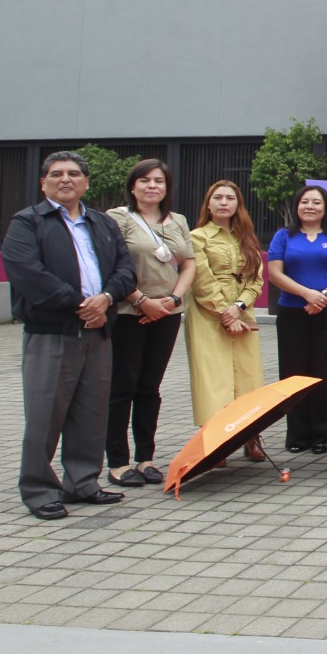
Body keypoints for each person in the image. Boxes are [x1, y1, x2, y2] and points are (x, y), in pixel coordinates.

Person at [3, 151, 137, 521]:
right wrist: (81, 304)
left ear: (86, 182)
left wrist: (107, 298)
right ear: (43, 181)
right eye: (57, 174)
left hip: (99, 332)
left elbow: (126, 268)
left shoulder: (102, 224)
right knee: (46, 414)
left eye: (74, 174)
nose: (66, 179)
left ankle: (82, 481)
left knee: (91, 412)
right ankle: (39, 488)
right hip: (53, 332)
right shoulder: (27, 223)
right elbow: (28, 273)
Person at [105, 159, 194, 488]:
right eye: (145, 181)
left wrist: (172, 300)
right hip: (130, 313)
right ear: (133, 186)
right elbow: (111, 264)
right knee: (122, 387)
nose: (152, 186)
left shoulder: (178, 221)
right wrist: (142, 300)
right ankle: (117, 462)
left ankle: (146, 458)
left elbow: (188, 264)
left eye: (159, 181)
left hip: (168, 313)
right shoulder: (118, 219)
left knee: (149, 387)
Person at [267, 185, 327, 454]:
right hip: (293, 313)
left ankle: (326, 435)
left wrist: (325, 296)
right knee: (295, 373)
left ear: (325, 207)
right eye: (304, 201)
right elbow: (274, 273)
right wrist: (307, 294)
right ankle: (298, 434)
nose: (310, 206)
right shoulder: (284, 236)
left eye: (316, 202)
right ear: (297, 206)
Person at [185, 182, 265, 443]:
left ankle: (251, 436)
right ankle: (215, 438)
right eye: (217, 197)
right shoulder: (197, 237)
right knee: (213, 378)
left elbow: (256, 280)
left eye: (230, 198)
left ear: (237, 204)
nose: (223, 202)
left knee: (247, 374)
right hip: (208, 316)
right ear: (208, 204)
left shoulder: (247, 238)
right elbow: (201, 280)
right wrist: (224, 311)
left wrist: (239, 307)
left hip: (243, 313)